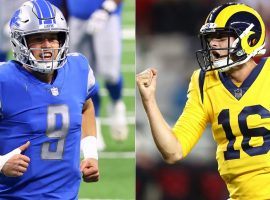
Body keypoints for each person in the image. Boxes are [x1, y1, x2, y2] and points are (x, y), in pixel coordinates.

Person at [137, 2, 270, 199]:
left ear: (249, 39)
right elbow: (173, 151)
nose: (213, 44)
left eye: (220, 37)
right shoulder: (204, 82)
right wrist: (149, 102)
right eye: (210, 38)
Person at [0, 0, 99, 198]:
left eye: (54, 38)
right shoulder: (4, 80)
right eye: (37, 39)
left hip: (67, 195)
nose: (47, 46)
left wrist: (90, 154)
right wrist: (1, 163)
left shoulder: (78, 68)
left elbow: (86, 106)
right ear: (20, 41)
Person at [67, 0, 128, 146]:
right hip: (75, 16)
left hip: (107, 17)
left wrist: (106, 8)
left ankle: (117, 104)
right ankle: (94, 127)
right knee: (83, 77)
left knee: (110, 74)